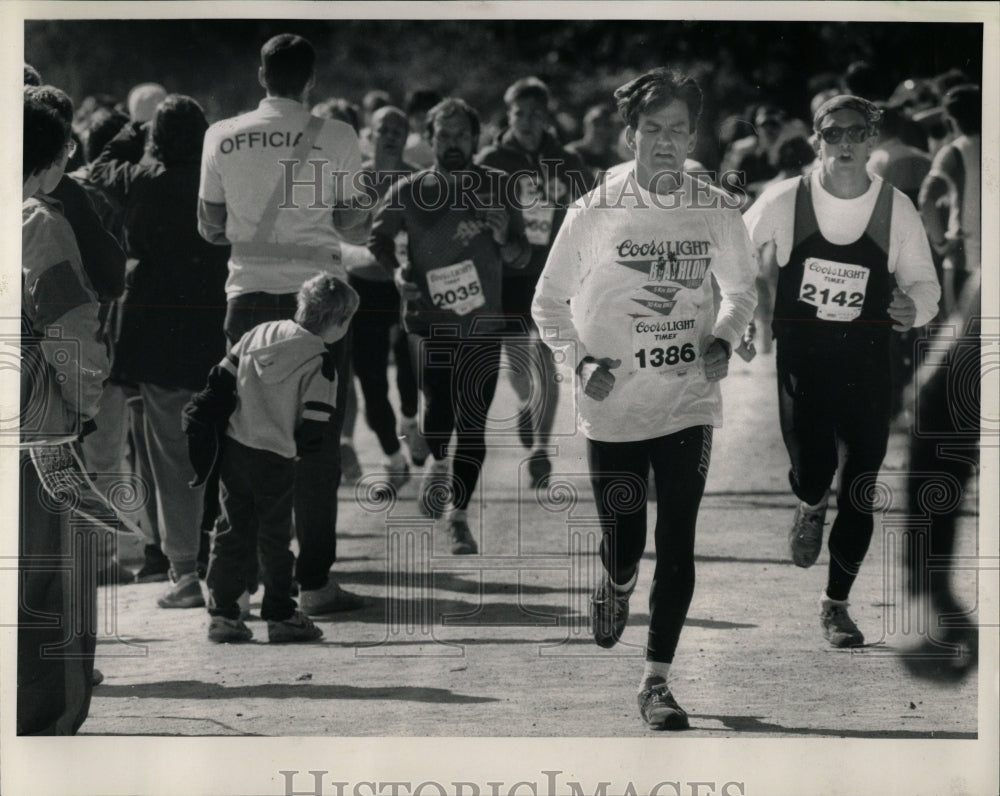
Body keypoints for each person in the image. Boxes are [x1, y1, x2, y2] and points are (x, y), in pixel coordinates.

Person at [532, 68, 758, 730]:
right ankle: (618, 579)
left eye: (678, 130)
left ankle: (656, 682)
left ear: (692, 135)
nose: (666, 142)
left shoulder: (713, 206)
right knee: (625, 540)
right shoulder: (597, 211)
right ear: (630, 134)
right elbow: (547, 300)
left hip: (687, 399)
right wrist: (581, 361)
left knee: (678, 540)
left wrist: (725, 336)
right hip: (613, 403)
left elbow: (741, 290)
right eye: (652, 130)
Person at [744, 95, 940, 648]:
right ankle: (809, 504)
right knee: (815, 470)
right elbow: (731, 257)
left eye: (858, 133)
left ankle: (836, 605)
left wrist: (913, 308)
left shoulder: (894, 207)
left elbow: (926, 287)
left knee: (861, 483)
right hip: (802, 362)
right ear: (816, 140)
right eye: (834, 134)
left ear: (872, 139)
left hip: (867, 363)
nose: (846, 143)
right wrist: (733, 320)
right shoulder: (786, 200)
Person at [197, 33, 370, 615]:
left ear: (260, 74)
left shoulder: (220, 135)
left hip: (246, 298)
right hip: (318, 302)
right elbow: (351, 224)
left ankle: (235, 584)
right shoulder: (340, 136)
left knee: (242, 437)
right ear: (311, 79)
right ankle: (315, 583)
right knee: (317, 439)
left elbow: (209, 226)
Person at [369, 97, 531, 554]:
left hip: (483, 324)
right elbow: (377, 238)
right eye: (445, 135)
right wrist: (397, 272)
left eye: (462, 135)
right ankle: (437, 465)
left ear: (476, 139)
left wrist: (503, 237)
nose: (454, 143)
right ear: (431, 138)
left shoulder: (498, 186)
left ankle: (458, 517)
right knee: (438, 414)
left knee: (474, 424)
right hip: (431, 323)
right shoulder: (410, 189)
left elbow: (523, 255)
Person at [89, 95, 231, 608]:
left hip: (157, 334)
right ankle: (233, 564)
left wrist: (133, 130)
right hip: (217, 326)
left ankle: (185, 574)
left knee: (170, 458)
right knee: (224, 447)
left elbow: (101, 165)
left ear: (158, 142)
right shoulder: (222, 182)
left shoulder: (142, 181)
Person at [184, 273, 359, 643]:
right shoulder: (321, 360)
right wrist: (306, 455)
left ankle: (223, 614)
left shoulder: (258, 333)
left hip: (236, 448)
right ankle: (280, 614)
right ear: (338, 323)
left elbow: (220, 378)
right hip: (278, 457)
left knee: (229, 532)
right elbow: (315, 423)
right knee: (275, 538)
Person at [20, 90, 110, 733]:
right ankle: (44, 723)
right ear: (53, 165)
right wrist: (82, 406)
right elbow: (73, 331)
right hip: (34, 432)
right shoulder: (39, 224)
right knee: (46, 582)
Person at [477, 77, 591, 487]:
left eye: (535, 114)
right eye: (519, 113)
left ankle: (541, 449)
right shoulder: (491, 159)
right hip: (506, 274)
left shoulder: (566, 160)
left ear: (547, 117)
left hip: (553, 273)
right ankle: (527, 404)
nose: (527, 122)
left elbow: (589, 211)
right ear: (508, 115)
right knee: (518, 362)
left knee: (546, 359)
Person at [340, 105, 425, 485]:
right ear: (369, 135)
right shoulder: (352, 181)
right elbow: (334, 237)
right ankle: (393, 459)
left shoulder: (420, 182)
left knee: (409, 369)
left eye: (398, 128)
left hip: (406, 288)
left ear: (407, 137)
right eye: (382, 128)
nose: (389, 134)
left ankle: (410, 420)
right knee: (370, 379)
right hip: (363, 287)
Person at [919, 84, 981, 318]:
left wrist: (940, 244)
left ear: (952, 121)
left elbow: (926, 198)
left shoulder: (955, 151)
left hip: (965, 261)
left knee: (963, 342)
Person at [565, 103, 621, 175]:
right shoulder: (569, 155)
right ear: (584, 125)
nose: (601, 129)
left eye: (606, 124)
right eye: (596, 122)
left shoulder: (616, 160)